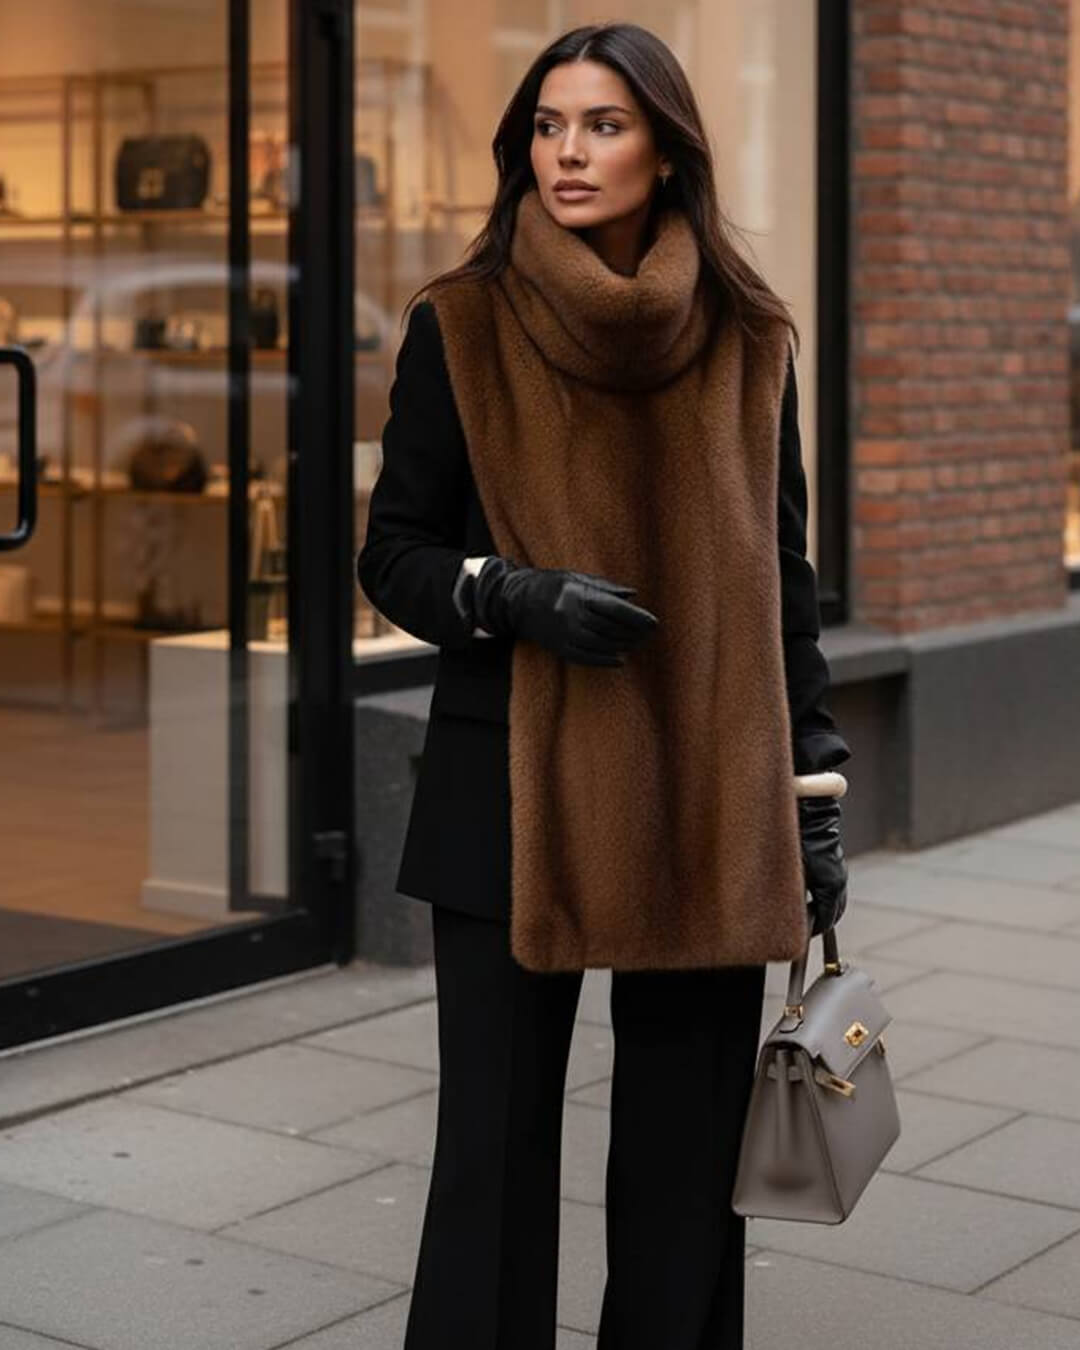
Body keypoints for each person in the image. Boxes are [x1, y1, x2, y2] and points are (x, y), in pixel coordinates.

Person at [357, 21, 851, 1350]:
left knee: (691, 1168)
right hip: (511, 795)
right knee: (493, 1159)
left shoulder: (752, 339)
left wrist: (813, 794)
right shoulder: (459, 327)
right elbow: (390, 556)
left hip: (708, 794)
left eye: (604, 125)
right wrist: (513, 595)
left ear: (667, 150)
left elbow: (782, 592)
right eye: (548, 125)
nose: (568, 152)